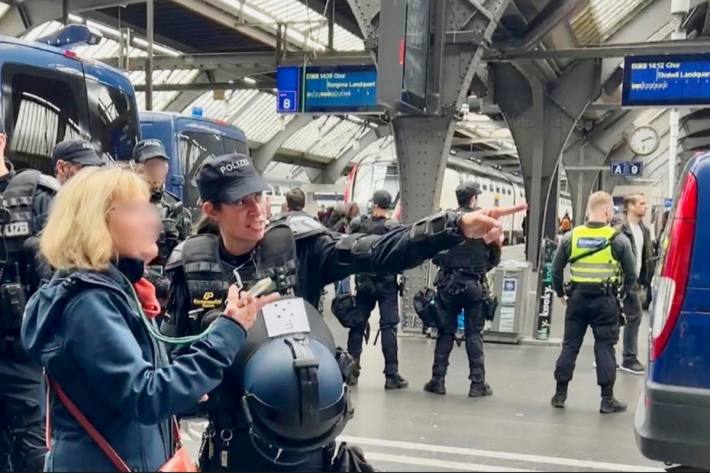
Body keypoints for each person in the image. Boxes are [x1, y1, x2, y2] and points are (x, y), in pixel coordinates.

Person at [161, 153, 526, 472]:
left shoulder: (299, 249)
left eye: (258, 196)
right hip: (233, 448)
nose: (257, 210)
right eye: (241, 202)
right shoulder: (190, 268)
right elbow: (174, 373)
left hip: (305, 447)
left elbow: (379, 250)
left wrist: (454, 226)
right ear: (212, 210)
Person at [21, 167, 277, 472]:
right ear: (96, 224)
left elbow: (133, 390)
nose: (153, 220)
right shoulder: (89, 304)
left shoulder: (115, 292)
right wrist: (229, 330)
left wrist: (188, 392)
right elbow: (145, 396)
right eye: (136, 209)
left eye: (148, 207)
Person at [0, 122, 58, 472]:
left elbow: (64, 277)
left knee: (34, 456)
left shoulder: (39, 195)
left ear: (2, 141)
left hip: (24, 356)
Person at [550, 191, 636, 414]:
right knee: (605, 347)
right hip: (605, 301)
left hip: (577, 299)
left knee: (570, 346)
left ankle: (560, 394)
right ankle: (607, 400)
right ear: (607, 211)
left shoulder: (572, 236)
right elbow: (632, 274)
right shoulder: (617, 239)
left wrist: (560, 292)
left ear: (589, 209)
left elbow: (555, 268)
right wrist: (622, 293)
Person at [423, 182, 501, 398]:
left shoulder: (445, 221)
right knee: (474, 334)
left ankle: (438, 380)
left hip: (448, 285)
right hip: (474, 285)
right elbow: (495, 257)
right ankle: (477, 384)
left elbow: (434, 254)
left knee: (445, 332)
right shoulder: (485, 223)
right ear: (474, 199)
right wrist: (479, 268)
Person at [346, 190, 407, 390]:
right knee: (388, 327)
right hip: (387, 283)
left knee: (357, 325)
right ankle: (391, 375)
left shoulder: (360, 224)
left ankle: (351, 372)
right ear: (388, 206)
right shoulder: (393, 228)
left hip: (364, 282)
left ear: (374, 204)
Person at [133, 140, 192, 308]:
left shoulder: (176, 206)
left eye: (161, 165)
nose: (156, 170)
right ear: (138, 169)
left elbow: (187, 250)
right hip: (136, 287)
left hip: (168, 293)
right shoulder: (126, 204)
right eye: (151, 165)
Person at [617, 193, 653, 375]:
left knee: (628, 317)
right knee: (634, 317)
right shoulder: (619, 229)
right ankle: (628, 358)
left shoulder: (644, 230)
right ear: (630, 206)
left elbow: (646, 256)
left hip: (636, 281)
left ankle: (610, 354)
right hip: (622, 279)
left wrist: (648, 279)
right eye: (642, 203)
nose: (645, 206)